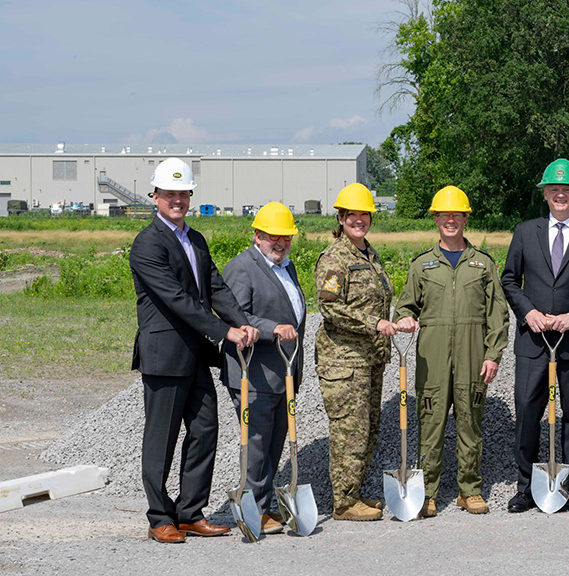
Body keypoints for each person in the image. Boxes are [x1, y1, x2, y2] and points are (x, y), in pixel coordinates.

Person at [129, 157, 258, 543]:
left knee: (205, 429)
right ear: (155, 196)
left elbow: (215, 286)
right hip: (165, 356)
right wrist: (225, 333)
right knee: (161, 439)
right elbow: (176, 300)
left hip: (195, 354)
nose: (177, 200)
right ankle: (159, 517)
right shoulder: (147, 244)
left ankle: (189, 512)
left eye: (183, 193)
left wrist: (241, 321)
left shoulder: (196, 239)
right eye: (169, 194)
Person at [501, 158, 569, 513]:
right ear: (545, 194)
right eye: (554, 189)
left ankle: (566, 486)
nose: (560, 194)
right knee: (527, 411)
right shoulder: (525, 231)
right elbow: (509, 280)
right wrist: (528, 312)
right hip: (533, 341)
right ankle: (525, 487)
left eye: (567, 189)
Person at [393, 186, 510, 517]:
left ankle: (469, 490)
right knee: (430, 423)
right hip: (433, 358)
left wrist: (493, 354)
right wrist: (404, 318)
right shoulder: (422, 265)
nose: (450, 221)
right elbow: (405, 305)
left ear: (465, 218)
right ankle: (427, 492)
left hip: (473, 355)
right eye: (444, 215)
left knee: (470, 424)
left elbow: (497, 314)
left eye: (456, 215)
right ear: (436, 219)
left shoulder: (483, 265)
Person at [221, 202, 306, 535]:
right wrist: (274, 329)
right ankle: (254, 509)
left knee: (274, 442)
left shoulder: (287, 267)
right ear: (257, 236)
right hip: (253, 372)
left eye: (285, 237)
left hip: (283, 373)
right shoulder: (241, 268)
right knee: (256, 443)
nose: (280, 243)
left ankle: (264, 505)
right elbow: (235, 315)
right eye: (273, 237)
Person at [315, 182, 397, 522]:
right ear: (341, 217)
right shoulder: (336, 257)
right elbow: (329, 308)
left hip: (370, 359)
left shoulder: (368, 254)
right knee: (351, 431)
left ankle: (355, 492)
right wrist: (374, 323)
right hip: (344, 361)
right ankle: (344, 502)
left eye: (364, 215)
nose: (359, 220)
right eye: (352, 215)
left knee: (368, 428)